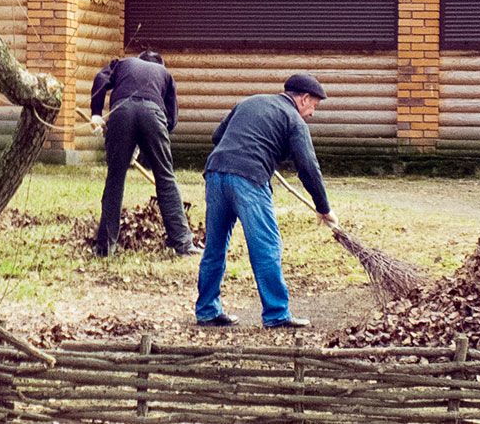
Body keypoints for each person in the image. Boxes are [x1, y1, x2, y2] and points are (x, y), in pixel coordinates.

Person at [195, 73, 337, 329]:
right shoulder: (294, 120)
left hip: (215, 173)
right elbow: (308, 167)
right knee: (267, 246)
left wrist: (262, 147)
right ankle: (276, 314)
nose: (313, 113)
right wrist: (323, 208)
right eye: (314, 105)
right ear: (304, 99)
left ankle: (207, 310)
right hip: (248, 180)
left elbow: (218, 137)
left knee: (215, 246)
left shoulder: (250, 102)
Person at [89, 50, 201, 257]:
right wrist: (150, 143)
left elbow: (100, 78)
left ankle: (105, 248)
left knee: (115, 178)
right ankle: (183, 245)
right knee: (166, 177)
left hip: (120, 111)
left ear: (139, 61)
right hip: (153, 114)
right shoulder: (164, 73)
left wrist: (96, 113)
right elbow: (171, 120)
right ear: (159, 63)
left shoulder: (123, 63)